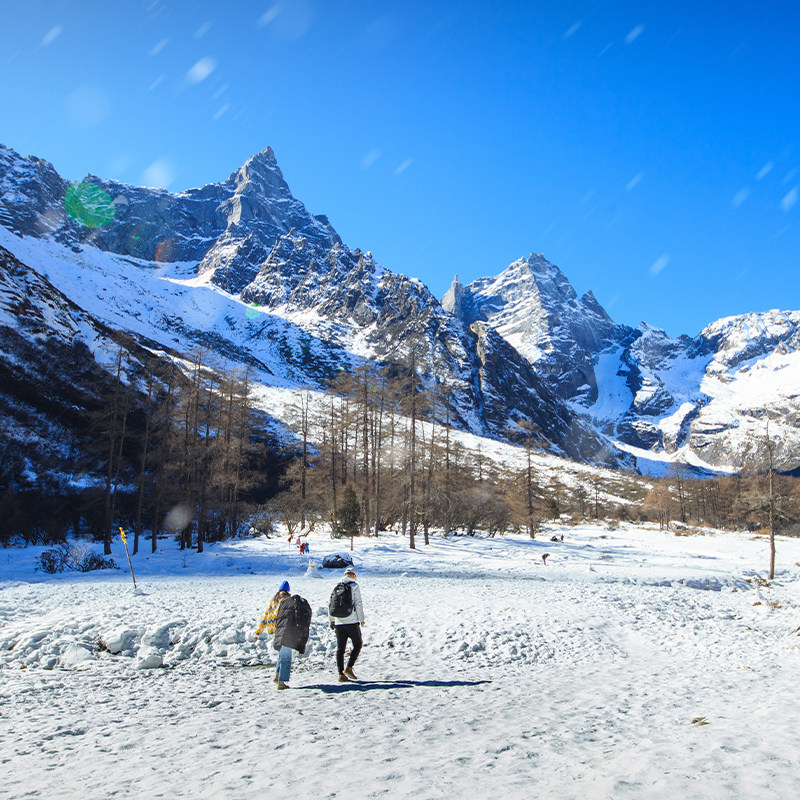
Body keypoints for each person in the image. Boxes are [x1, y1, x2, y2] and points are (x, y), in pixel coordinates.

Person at [272, 588, 313, 690]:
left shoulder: (283, 605)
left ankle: (277, 676)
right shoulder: (293, 605)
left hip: (280, 634)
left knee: (281, 656)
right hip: (287, 635)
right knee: (286, 658)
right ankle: (281, 682)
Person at [332, 566, 365, 682]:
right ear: (353, 575)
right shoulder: (354, 586)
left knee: (340, 648)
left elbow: (331, 603)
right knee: (358, 644)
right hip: (351, 621)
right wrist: (361, 619)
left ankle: (341, 674)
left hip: (338, 621)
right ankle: (349, 667)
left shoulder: (336, 586)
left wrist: (332, 620)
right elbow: (358, 603)